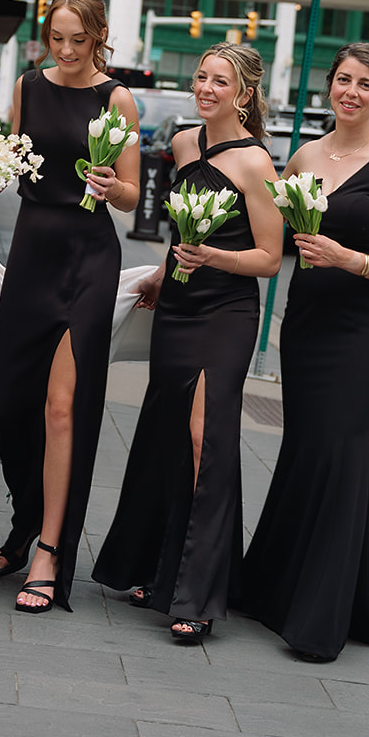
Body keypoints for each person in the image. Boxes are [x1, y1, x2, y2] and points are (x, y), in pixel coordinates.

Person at [237, 43, 369, 661]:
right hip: (308, 320)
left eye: (365, 84)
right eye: (343, 80)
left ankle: (321, 616)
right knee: (304, 446)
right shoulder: (307, 155)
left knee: (342, 448)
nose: (351, 92)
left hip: (364, 328)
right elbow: (268, 225)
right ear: (330, 86)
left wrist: (348, 258)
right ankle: (273, 591)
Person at [92, 44, 282, 643]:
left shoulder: (257, 163)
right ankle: (159, 569)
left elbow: (271, 259)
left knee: (208, 436)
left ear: (244, 95)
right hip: (177, 302)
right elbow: (180, 232)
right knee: (168, 432)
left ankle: (199, 592)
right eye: (201, 77)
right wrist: (158, 275)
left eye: (219, 81)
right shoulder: (180, 143)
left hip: (225, 311)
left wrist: (214, 258)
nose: (205, 87)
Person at [0, 0, 140, 613]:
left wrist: (112, 186)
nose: (69, 50)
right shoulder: (27, 86)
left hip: (88, 260)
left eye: (80, 40)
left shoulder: (117, 97)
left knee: (60, 408)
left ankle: (50, 550)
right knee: (10, 399)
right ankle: (26, 519)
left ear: (99, 37)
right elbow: (14, 163)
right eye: (59, 39)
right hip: (31, 253)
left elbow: (132, 194)